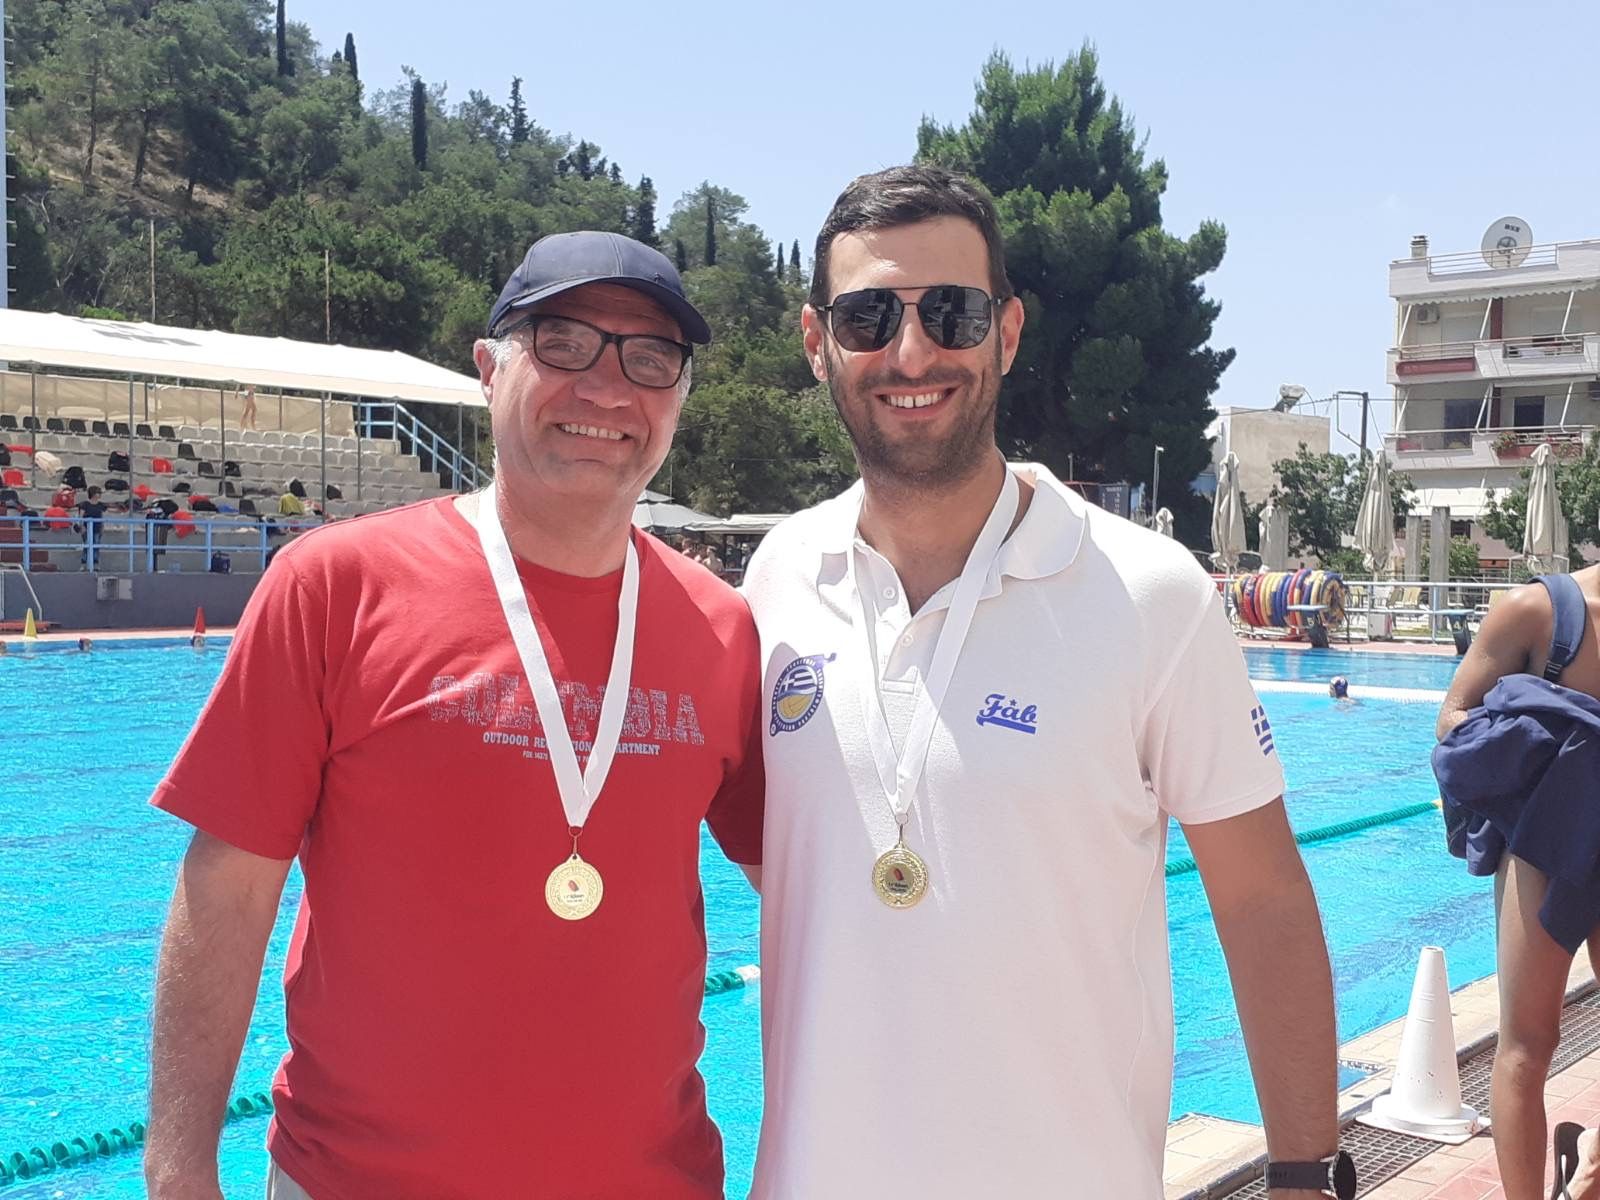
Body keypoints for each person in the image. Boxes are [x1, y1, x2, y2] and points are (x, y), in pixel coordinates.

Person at [740, 165, 1342, 1198]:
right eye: (869, 317)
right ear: (816, 342)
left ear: (1007, 333)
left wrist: (1303, 1174)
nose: (912, 352)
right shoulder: (777, 579)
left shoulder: (1150, 594)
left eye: (953, 313)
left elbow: (1262, 902)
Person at [144, 230, 764, 1200]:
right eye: (563, 343)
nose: (607, 389)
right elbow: (229, 886)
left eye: (651, 359)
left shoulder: (724, 629)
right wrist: (178, 1169)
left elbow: (806, 889)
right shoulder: (335, 587)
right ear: (489, 367)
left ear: (680, 397)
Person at [1435, 567, 1600, 1200]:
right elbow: (1453, 720)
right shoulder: (1536, 611)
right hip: (1545, 846)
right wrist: (1558, 734)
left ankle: (1587, 1164)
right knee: (1529, 1046)